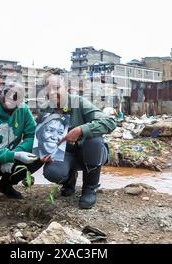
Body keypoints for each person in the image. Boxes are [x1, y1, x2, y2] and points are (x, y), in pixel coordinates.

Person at [39, 70, 117, 209]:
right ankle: (69, 180)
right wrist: (44, 153)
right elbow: (43, 139)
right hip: (66, 155)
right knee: (52, 172)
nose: (52, 93)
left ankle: (89, 188)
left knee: (94, 140)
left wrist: (81, 130)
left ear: (67, 88)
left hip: (90, 152)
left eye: (56, 88)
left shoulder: (80, 103)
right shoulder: (45, 110)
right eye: (48, 89)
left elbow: (110, 122)